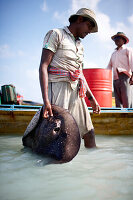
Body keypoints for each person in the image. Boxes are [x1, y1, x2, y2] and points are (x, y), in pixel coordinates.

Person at [39, 8, 101, 148]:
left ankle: (94, 164)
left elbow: (80, 74)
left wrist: (91, 99)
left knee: (89, 132)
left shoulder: (80, 45)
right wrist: (46, 101)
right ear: (79, 20)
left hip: (76, 91)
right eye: (89, 26)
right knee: (57, 135)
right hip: (58, 88)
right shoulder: (56, 34)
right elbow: (43, 66)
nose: (89, 32)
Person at [107, 32, 133, 108]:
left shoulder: (128, 50)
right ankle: (120, 117)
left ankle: (129, 117)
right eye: (115, 39)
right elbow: (109, 67)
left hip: (125, 77)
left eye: (118, 38)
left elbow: (132, 62)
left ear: (123, 40)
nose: (116, 40)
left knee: (127, 99)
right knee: (117, 101)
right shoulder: (113, 54)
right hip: (115, 78)